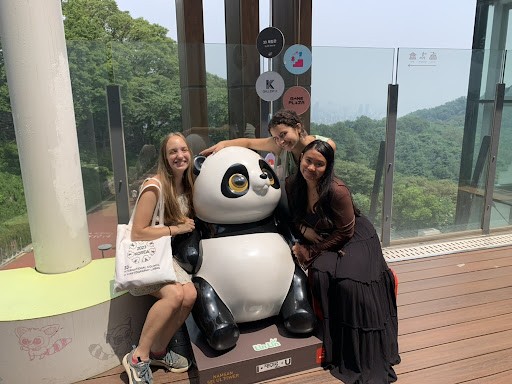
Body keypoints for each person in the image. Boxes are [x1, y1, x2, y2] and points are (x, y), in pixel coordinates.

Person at [286, 140, 400, 384]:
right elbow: (293, 216)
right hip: (325, 237)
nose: (312, 168)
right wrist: (304, 229)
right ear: (301, 157)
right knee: (322, 274)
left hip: (355, 238)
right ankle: (335, 345)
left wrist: (311, 250)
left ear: (328, 167)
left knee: (350, 285)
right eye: (309, 161)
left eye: (320, 164)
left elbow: (346, 232)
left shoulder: (337, 190)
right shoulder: (292, 184)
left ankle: (363, 355)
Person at [122, 132, 197, 384]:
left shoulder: (186, 183)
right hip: (146, 257)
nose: (180, 155)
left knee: (190, 295)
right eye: (173, 152)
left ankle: (158, 352)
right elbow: (138, 231)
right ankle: (138, 357)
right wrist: (177, 228)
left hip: (164, 255)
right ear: (164, 158)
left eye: (184, 149)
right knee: (176, 295)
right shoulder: (154, 186)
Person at [200, 109, 337, 183]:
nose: (281, 142)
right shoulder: (278, 146)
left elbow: (328, 179)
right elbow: (248, 142)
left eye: (283, 134)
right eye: (276, 138)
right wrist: (223, 144)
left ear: (298, 127)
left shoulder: (325, 145)